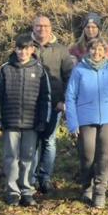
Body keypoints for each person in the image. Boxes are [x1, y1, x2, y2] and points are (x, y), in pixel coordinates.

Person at [0, 33, 53, 206]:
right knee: (11, 158)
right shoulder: (5, 69)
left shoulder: (40, 70)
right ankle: (12, 192)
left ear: (32, 50)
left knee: (28, 158)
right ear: (15, 49)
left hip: (32, 123)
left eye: (26, 49)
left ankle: (26, 191)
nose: (22, 52)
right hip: (10, 123)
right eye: (19, 48)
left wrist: (43, 120)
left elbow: (46, 98)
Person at [65, 38, 108, 209]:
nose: (97, 53)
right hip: (85, 118)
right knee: (88, 156)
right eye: (93, 49)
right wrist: (73, 122)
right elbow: (70, 97)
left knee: (105, 157)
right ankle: (87, 186)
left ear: (104, 52)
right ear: (88, 51)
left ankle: (100, 192)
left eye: (100, 49)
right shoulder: (79, 70)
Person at [31, 15, 73, 196]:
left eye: (45, 26)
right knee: (33, 141)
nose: (42, 29)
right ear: (33, 27)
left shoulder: (61, 50)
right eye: (38, 26)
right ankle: (31, 179)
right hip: (31, 104)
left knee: (49, 141)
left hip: (54, 103)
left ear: (51, 28)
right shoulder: (26, 46)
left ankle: (45, 177)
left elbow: (69, 77)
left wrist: (64, 100)